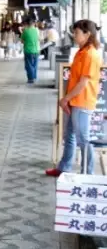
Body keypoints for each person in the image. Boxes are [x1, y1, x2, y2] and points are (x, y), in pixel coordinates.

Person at [46, 20, 103, 177]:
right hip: (74, 100)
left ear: (87, 34)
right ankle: (64, 167)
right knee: (69, 136)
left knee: (83, 139)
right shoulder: (81, 51)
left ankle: (88, 173)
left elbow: (83, 83)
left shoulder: (91, 54)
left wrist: (65, 99)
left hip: (82, 102)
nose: (74, 36)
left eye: (77, 33)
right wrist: (68, 99)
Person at [21, 18, 40, 84]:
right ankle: (34, 77)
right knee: (35, 65)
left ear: (27, 24)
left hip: (28, 50)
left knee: (29, 65)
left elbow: (22, 41)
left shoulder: (25, 31)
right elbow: (39, 39)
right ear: (33, 24)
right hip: (36, 50)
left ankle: (31, 79)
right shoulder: (37, 30)